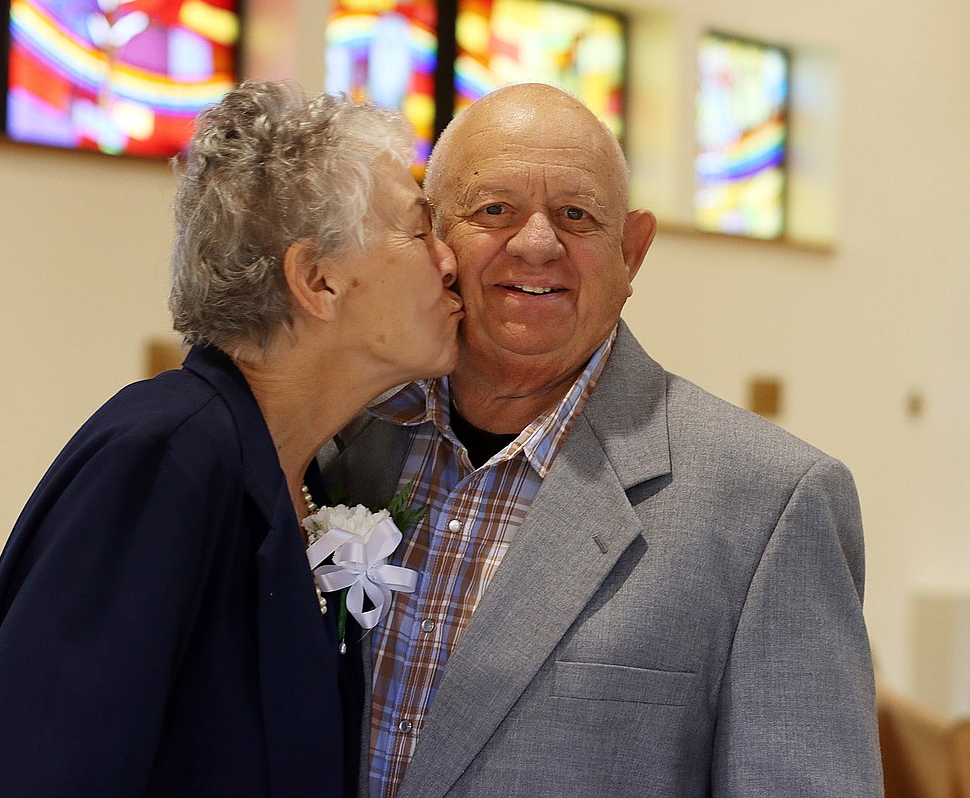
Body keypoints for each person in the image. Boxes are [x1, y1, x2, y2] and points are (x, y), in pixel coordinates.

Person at [0, 80, 463, 798]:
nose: (447, 260)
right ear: (318, 281)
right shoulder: (163, 459)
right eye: (418, 231)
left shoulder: (303, 476)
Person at [322, 83, 884, 797]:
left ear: (632, 252)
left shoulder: (771, 506)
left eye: (576, 215)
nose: (536, 244)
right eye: (494, 209)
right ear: (434, 236)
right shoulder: (346, 438)